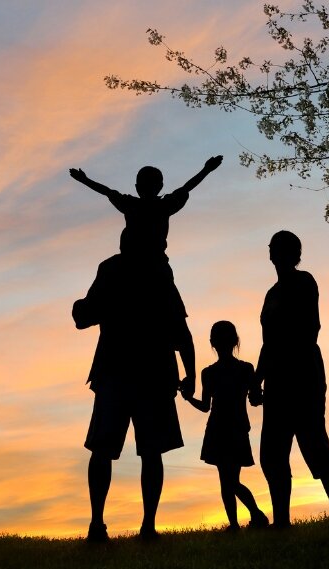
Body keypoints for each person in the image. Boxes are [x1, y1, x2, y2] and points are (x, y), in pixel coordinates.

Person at [73, 254, 197, 542]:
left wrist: (79, 307)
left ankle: (98, 524)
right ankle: (147, 526)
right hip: (152, 372)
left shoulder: (113, 268)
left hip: (117, 371)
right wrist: (190, 375)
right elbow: (182, 331)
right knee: (149, 452)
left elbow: (84, 316)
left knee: (104, 449)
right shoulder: (158, 270)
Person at [254, 230, 329, 528]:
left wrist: (284, 361)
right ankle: (281, 520)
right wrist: (258, 379)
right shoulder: (270, 294)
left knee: (314, 442)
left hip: (303, 372)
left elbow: (311, 327)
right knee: (272, 453)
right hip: (277, 379)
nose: (275, 254)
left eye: (281, 249)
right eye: (273, 249)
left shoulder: (304, 281)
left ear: (293, 254)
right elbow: (266, 342)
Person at [68, 157, 223, 321]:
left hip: (144, 261)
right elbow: (186, 188)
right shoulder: (160, 205)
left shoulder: (137, 204)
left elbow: (107, 191)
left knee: (107, 268)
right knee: (109, 268)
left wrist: (84, 180)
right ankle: (91, 310)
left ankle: (90, 309)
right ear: (160, 186)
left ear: (138, 187)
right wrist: (206, 170)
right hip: (145, 262)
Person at [181, 321, 269, 531]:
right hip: (237, 427)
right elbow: (256, 398)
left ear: (212, 343)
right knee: (231, 480)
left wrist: (187, 398)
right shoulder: (245, 369)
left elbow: (204, 407)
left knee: (227, 480)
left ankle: (246, 519)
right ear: (235, 341)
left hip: (219, 429)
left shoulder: (209, 373)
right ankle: (246, 520)